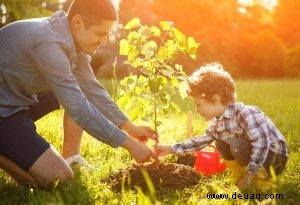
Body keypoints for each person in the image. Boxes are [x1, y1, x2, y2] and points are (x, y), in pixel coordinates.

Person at [0, 0, 158, 189]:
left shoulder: (70, 39)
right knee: (59, 178)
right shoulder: (49, 44)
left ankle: (71, 157)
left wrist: (131, 128)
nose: (104, 41)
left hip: (15, 98)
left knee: (77, 90)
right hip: (4, 111)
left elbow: (93, 91)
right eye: (100, 34)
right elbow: (79, 108)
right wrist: (130, 145)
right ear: (78, 23)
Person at [155, 63, 288, 190]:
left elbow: (262, 142)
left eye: (199, 104)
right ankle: (240, 178)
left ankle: (260, 181)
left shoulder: (245, 113)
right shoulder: (216, 124)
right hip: (255, 155)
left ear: (215, 99)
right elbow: (199, 142)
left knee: (236, 144)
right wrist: (170, 149)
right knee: (221, 142)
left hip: (275, 157)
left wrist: (250, 173)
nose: (197, 110)